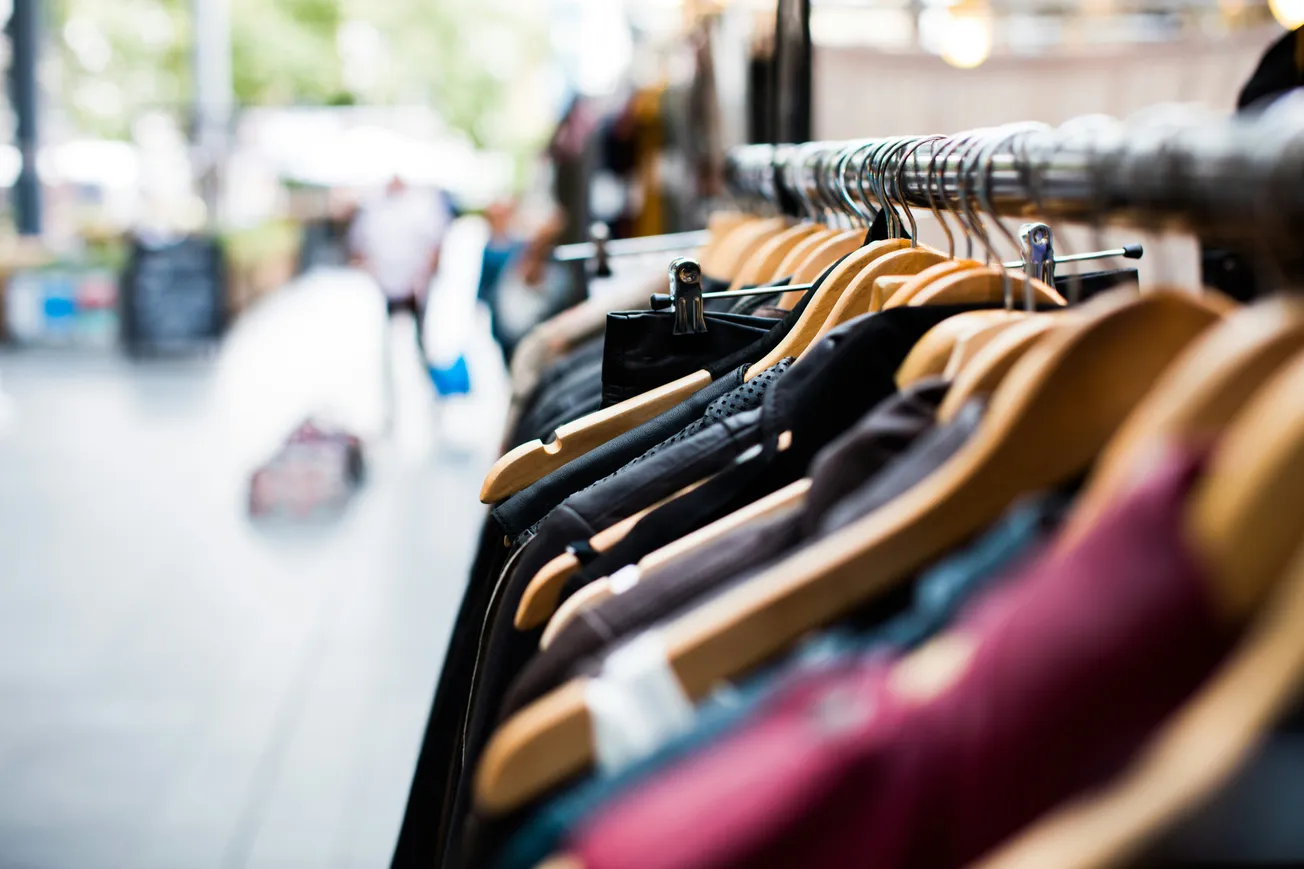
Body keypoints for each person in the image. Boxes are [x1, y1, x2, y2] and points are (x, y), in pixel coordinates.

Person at [348, 175, 452, 428]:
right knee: (386, 350)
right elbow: (358, 247)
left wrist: (423, 278)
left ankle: (431, 400)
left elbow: (435, 246)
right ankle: (390, 406)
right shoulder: (374, 210)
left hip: (415, 287)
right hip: (385, 288)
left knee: (421, 346)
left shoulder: (420, 206)